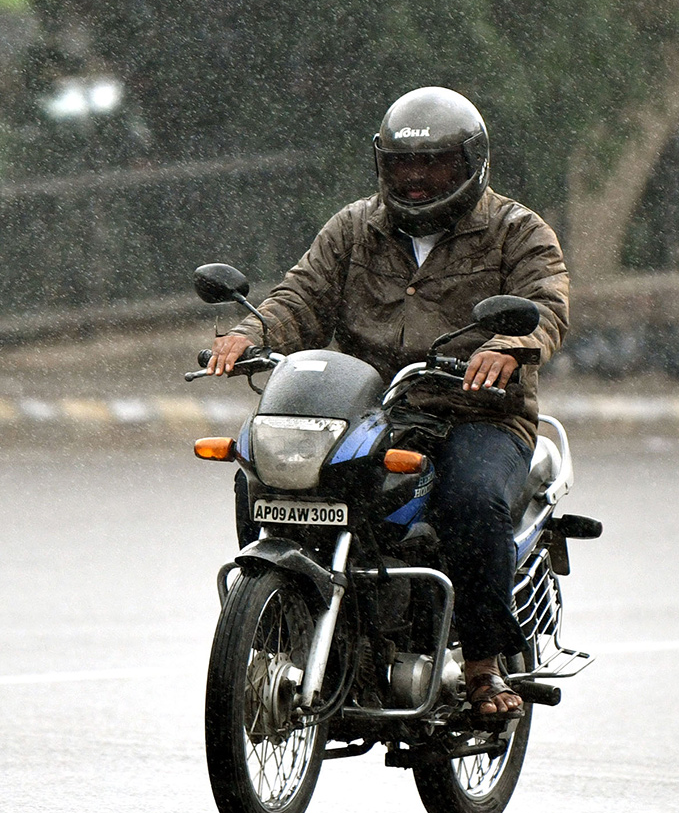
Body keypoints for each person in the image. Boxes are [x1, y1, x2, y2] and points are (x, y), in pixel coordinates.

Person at [207, 86, 569, 716]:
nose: (418, 178)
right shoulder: (354, 228)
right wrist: (249, 334)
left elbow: (547, 303)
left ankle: (483, 670)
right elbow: (300, 298)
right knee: (263, 476)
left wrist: (513, 344)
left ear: (471, 163)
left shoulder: (516, 230)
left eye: (434, 164)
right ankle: (281, 623)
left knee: (471, 500)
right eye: (404, 165)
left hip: (475, 413)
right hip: (372, 412)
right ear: (383, 165)